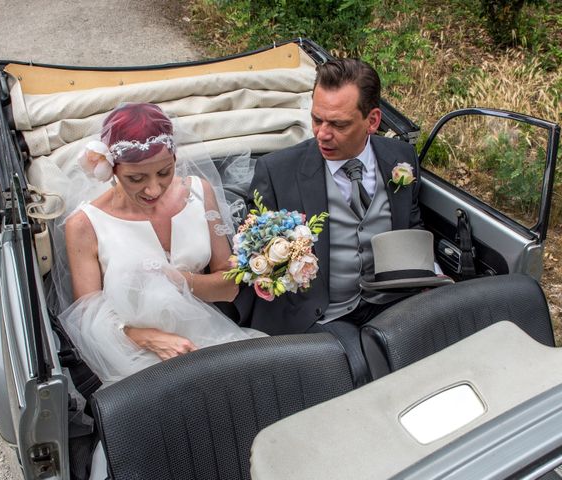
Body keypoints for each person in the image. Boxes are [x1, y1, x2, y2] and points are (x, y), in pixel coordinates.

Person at [61, 103, 262, 386]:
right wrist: (151, 339)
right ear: (112, 169)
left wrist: (176, 279)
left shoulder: (199, 193)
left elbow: (229, 287)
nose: (153, 189)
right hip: (132, 355)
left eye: (165, 172)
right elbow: (87, 321)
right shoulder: (84, 224)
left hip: (211, 335)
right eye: (136, 178)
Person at [238, 58, 423, 341]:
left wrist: (428, 279)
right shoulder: (277, 172)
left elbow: (411, 226)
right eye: (316, 119)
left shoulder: (401, 158)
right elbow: (257, 258)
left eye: (338, 124)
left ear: (372, 121)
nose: (322, 134)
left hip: (391, 302)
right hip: (320, 315)